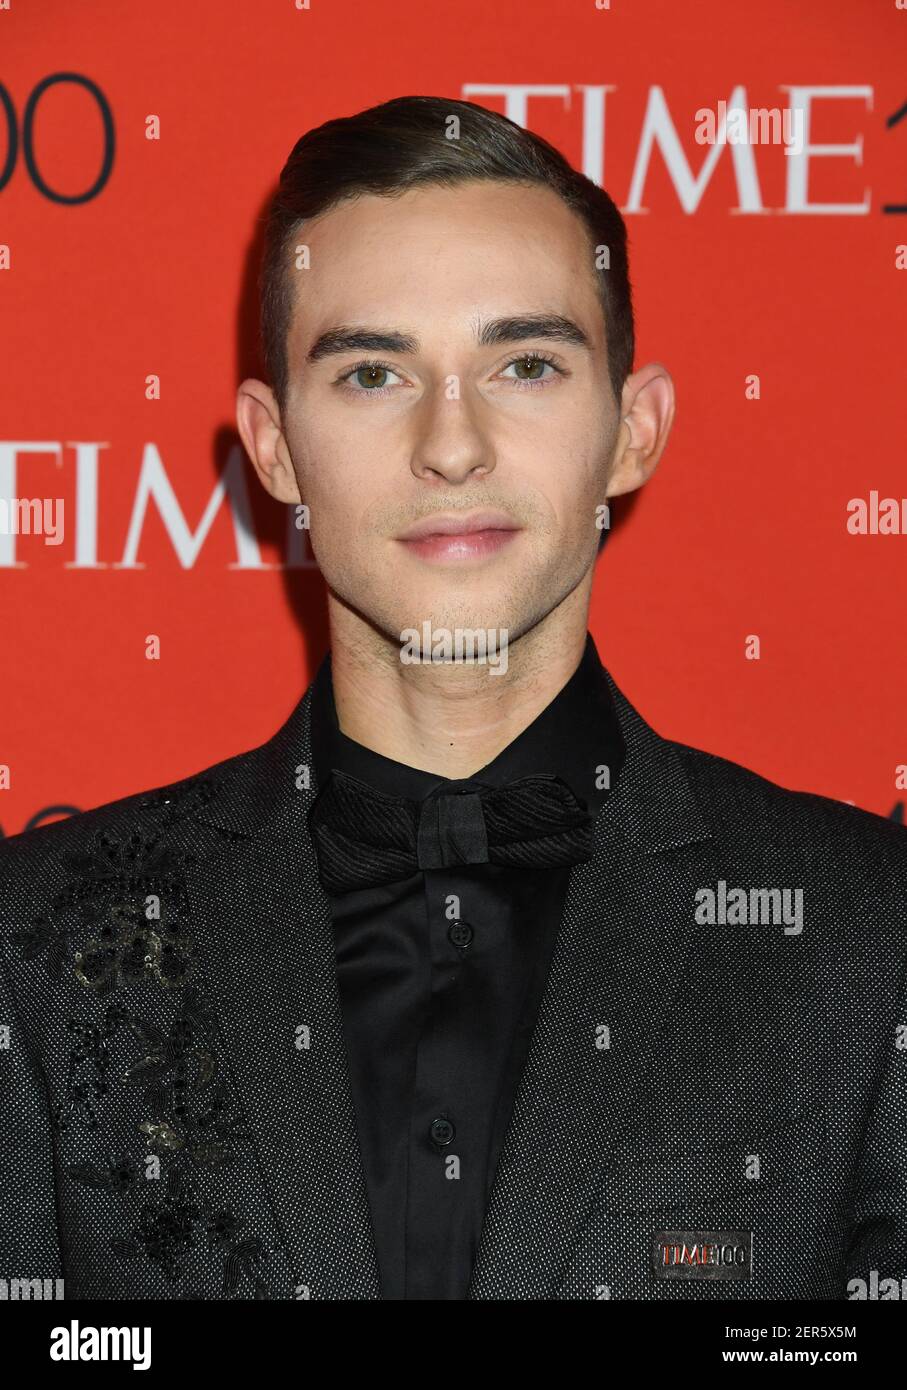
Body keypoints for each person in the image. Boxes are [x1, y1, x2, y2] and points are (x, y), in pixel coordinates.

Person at [1, 95, 904, 1302]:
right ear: (274, 450)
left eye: (524, 363)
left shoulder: (864, 932)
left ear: (632, 430)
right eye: (373, 372)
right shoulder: (43, 941)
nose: (452, 443)